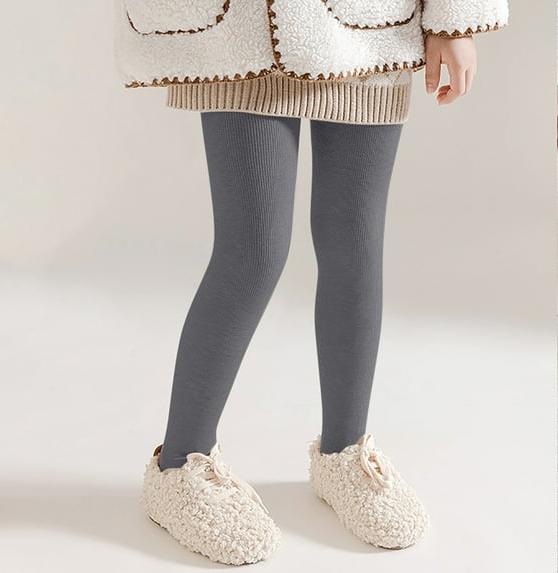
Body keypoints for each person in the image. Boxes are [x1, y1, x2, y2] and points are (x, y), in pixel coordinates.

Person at [114, 0, 510, 565]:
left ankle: (345, 452)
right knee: (253, 252)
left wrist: (454, 19)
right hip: (237, 28)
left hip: (367, 24)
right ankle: (178, 466)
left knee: (355, 246)